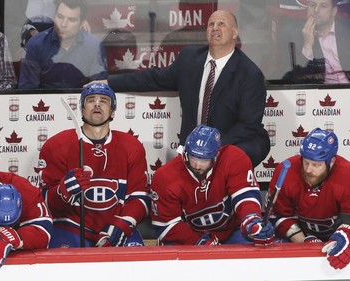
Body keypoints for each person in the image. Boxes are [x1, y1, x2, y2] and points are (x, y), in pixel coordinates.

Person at [85, 10, 270, 168]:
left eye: (221, 24)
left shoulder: (249, 74)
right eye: (211, 24)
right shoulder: (189, 59)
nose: (215, 28)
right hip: (191, 149)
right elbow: (153, 78)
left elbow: (247, 126)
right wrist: (109, 83)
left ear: (234, 32)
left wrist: (210, 147)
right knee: (165, 181)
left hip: (229, 145)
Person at [37, 82, 150, 248]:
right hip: (71, 227)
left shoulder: (131, 146)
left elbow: (139, 198)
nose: (97, 103)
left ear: (113, 113)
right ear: (82, 110)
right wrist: (62, 192)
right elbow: (44, 202)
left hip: (115, 224)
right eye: (91, 100)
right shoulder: (56, 145)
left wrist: (122, 225)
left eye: (104, 100)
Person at [150, 124, 275, 246]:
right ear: (185, 153)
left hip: (230, 232)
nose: (198, 165)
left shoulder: (234, 158)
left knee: (258, 244)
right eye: (193, 158)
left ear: (216, 156)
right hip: (190, 235)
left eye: (204, 160)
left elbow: (245, 196)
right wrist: (201, 242)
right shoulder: (165, 176)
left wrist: (251, 220)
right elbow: (166, 225)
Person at [267, 128, 350, 270]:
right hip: (299, 236)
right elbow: (277, 215)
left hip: (336, 236)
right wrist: (303, 241)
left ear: (331, 161)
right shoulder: (285, 170)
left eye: (316, 165)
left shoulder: (346, 175)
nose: (308, 170)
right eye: (306, 162)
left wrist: (345, 236)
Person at [18, 0, 107, 89]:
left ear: (82, 23)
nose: (63, 24)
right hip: (44, 101)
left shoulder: (93, 46)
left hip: (83, 100)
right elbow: (28, 89)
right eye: (60, 17)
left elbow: (99, 87)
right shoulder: (36, 44)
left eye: (71, 20)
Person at [0, 172, 53, 270]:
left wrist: (15, 237)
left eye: (12, 223)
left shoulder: (27, 191)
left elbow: (44, 229)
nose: (2, 227)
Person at [280, 0, 350, 84]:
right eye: (312, 5)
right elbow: (295, 79)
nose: (316, 10)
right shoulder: (292, 35)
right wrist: (307, 46)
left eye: (323, 6)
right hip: (318, 92)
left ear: (333, 11)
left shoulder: (347, 31)